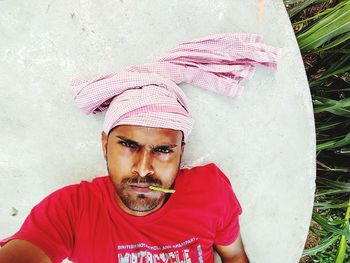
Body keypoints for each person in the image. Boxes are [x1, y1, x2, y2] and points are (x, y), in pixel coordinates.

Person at [0, 34, 280, 263]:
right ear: (104, 145)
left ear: (181, 152)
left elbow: (233, 256)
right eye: (128, 145)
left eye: (163, 150)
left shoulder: (211, 192)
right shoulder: (71, 211)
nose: (144, 168)